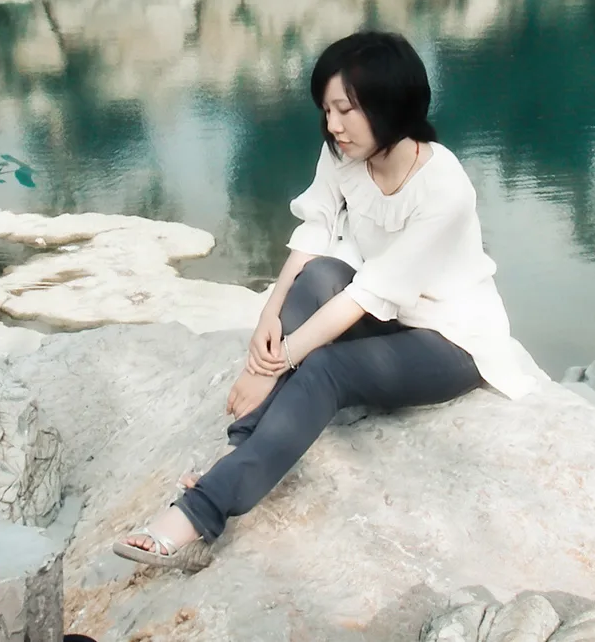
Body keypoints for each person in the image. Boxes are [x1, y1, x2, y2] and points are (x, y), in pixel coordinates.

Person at [114, 31, 543, 570]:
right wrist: (268, 316)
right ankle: (239, 452)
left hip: (453, 339)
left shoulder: (444, 190)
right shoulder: (345, 153)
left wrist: (275, 364)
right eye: (327, 110)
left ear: (390, 104)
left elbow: (366, 295)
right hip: (389, 313)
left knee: (325, 370)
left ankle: (197, 515)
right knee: (319, 275)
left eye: (346, 109)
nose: (333, 125)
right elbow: (316, 230)